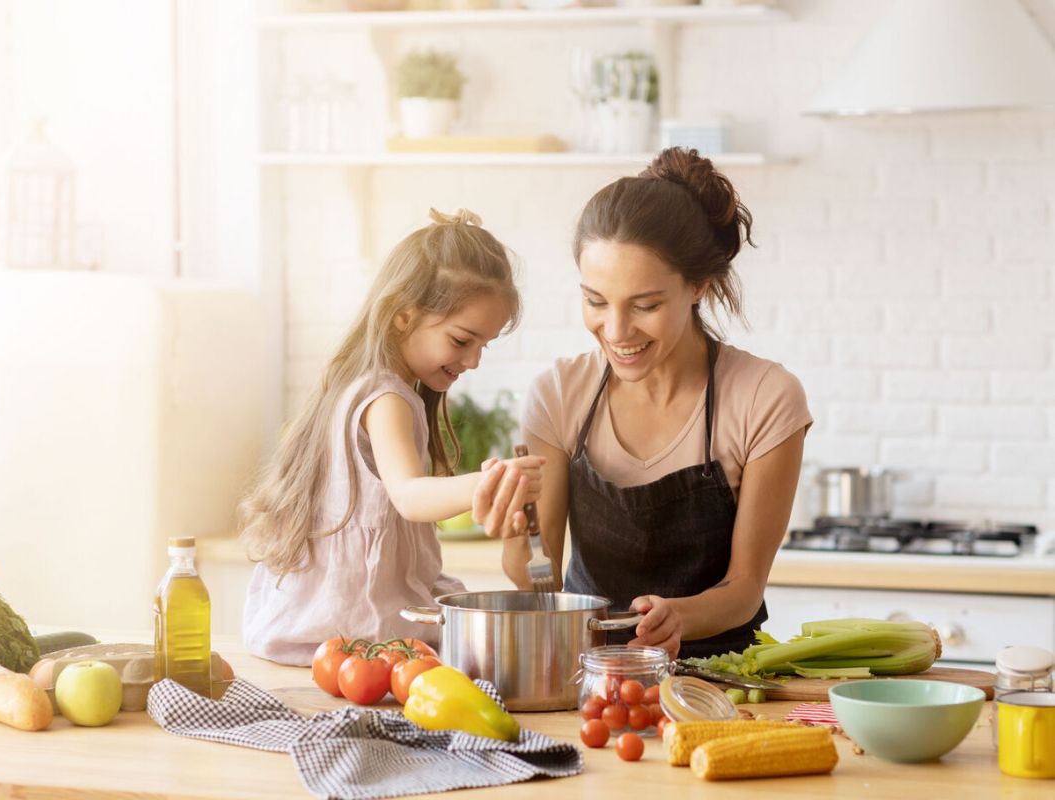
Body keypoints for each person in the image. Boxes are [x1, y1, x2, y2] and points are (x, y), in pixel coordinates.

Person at [475, 148, 811, 660]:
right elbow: (542, 582)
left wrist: (679, 616)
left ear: (698, 285)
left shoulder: (765, 398)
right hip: (589, 673)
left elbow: (744, 589)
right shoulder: (559, 395)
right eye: (595, 301)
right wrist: (517, 536)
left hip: (721, 677)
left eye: (646, 305)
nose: (616, 331)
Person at [240, 208, 543, 666]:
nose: (474, 361)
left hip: (319, 630)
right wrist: (487, 481)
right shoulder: (387, 397)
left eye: (484, 344)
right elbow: (408, 495)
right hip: (359, 633)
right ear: (404, 316)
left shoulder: (360, 384)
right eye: (462, 340)